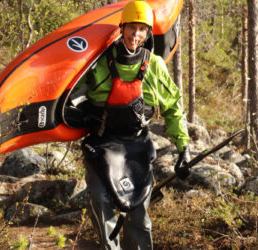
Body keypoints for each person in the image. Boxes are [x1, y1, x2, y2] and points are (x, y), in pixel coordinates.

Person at [80, 1, 190, 249]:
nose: (135, 35)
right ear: (122, 27)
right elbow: (72, 97)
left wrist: (183, 148)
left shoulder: (155, 66)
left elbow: (173, 106)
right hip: (102, 143)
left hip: (136, 147)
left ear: (148, 33)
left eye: (142, 29)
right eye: (131, 27)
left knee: (139, 218)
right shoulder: (98, 62)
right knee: (100, 202)